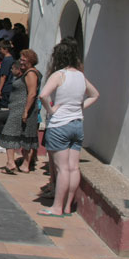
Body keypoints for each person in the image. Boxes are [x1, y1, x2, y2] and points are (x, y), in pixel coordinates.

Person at [37, 41, 99, 216]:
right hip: (77, 124)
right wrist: (79, 108)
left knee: (62, 168)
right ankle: (67, 205)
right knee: (73, 168)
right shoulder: (80, 76)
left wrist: (51, 110)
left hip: (60, 125)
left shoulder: (59, 75)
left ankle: (57, 207)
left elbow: (43, 95)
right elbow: (95, 95)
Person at [0, 49, 42, 175]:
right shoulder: (29, 72)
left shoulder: (31, 74)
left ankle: (12, 163)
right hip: (21, 109)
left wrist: (25, 111)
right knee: (27, 136)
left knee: (9, 133)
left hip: (22, 109)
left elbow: (32, 93)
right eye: (21, 59)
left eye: (24, 60)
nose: (21, 62)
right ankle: (24, 165)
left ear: (30, 60)